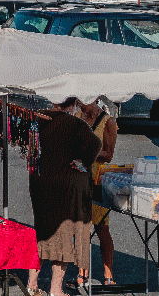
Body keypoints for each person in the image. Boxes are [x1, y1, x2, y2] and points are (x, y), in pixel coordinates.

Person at [27, 99, 102, 296]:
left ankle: (32, 284)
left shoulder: (37, 119)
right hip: (65, 186)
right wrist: (82, 161)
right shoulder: (75, 123)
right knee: (63, 235)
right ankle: (55, 289)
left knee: (42, 232)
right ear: (72, 105)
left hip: (40, 183)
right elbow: (95, 144)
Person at [80, 99, 119, 288]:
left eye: (83, 101)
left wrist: (85, 153)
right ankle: (82, 274)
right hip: (79, 178)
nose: (80, 105)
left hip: (97, 179)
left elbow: (109, 154)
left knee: (102, 228)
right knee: (81, 228)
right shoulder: (78, 118)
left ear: (94, 99)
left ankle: (108, 273)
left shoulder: (108, 122)